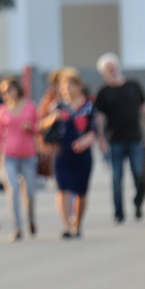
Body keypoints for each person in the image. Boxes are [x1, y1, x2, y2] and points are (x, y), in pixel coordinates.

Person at [93, 52, 145, 223]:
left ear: (119, 67)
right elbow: (100, 118)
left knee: (138, 173)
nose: (112, 70)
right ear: (103, 72)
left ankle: (138, 203)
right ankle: (119, 212)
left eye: (113, 66)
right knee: (116, 178)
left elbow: (144, 109)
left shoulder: (133, 86)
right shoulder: (104, 92)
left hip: (135, 139)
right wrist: (101, 139)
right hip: (115, 141)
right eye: (107, 68)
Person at [42, 68, 97, 238]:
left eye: (70, 86)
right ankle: (66, 226)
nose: (67, 89)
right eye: (64, 86)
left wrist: (86, 141)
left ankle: (77, 225)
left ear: (79, 86)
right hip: (62, 153)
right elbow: (41, 126)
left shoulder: (88, 106)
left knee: (81, 191)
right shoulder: (57, 106)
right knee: (63, 189)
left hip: (82, 154)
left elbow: (94, 129)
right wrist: (52, 118)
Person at [0, 76, 39, 241]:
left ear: (17, 89)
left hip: (28, 155)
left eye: (9, 90)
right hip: (8, 156)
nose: (7, 94)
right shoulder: (1, 110)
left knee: (30, 191)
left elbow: (40, 128)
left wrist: (32, 128)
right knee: (13, 191)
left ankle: (30, 217)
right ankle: (17, 227)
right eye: (3, 92)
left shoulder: (30, 107)